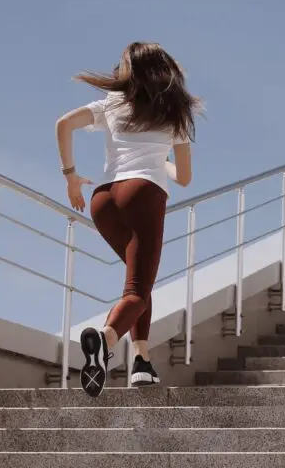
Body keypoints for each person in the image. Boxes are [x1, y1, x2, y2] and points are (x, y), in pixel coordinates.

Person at [56, 41, 199, 398]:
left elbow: (63, 125)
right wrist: (160, 160)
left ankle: (141, 362)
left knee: (139, 284)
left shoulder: (112, 104)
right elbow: (184, 177)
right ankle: (103, 342)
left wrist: (71, 176)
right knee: (137, 289)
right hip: (143, 196)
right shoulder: (176, 112)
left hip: (103, 200)